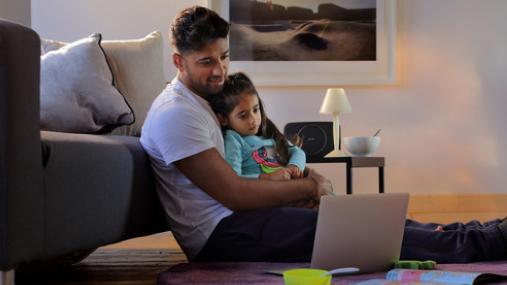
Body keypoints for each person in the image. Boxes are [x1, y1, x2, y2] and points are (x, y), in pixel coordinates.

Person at [141, 5, 507, 263]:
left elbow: (245, 179)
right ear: (178, 61)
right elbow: (234, 194)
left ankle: (474, 231)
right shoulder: (176, 114)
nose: (220, 70)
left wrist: (293, 190)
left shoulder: (206, 101)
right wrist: (307, 186)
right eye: (206, 62)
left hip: (240, 219)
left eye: (224, 56)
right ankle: (489, 242)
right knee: (355, 229)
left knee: (362, 218)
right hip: (221, 234)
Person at [209, 72, 305, 182]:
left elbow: (297, 151)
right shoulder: (234, 139)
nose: (253, 119)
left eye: (255, 110)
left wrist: (294, 166)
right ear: (223, 119)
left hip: (287, 187)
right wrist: (268, 177)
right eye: (243, 116)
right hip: (266, 193)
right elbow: (233, 178)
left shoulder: (267, 133)